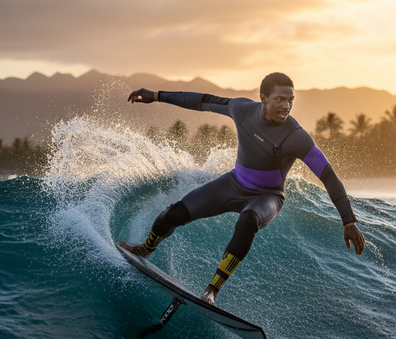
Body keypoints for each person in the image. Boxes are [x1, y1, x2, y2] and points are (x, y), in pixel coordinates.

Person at [118, 72, 365, 305]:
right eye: (280, 99)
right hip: (233, 184)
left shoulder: (296, 136)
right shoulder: (242, 109)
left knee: (248, 219)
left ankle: (211, 290)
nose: (286, 106)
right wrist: (157, 95)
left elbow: (329, 176)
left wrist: (348, 221)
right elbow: (202, 101)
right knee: (173, 214)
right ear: (264, 98)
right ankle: (146, 248)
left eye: (290, 100)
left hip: (267, 197)